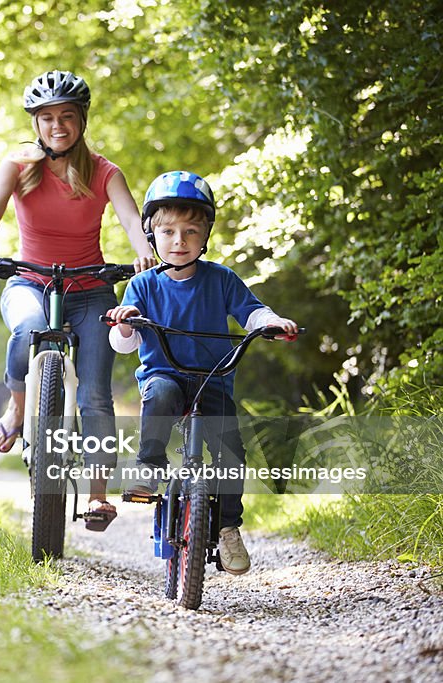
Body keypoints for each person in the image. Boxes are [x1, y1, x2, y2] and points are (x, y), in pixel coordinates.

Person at [0, 69, 156, 532]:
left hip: (90, 293)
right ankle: (17, 403)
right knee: (27, 328)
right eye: (47, 118)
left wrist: (144, 247)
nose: (57, 126)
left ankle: (98, 497)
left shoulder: (105, 171)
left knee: (95, 396)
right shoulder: (20, 165)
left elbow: (130, 217)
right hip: (30, 282)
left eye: (67, 116)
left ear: (81, 120)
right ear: (36, 124)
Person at [106, 170, 299, 574]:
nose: (180, 241)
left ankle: (229, 528)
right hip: (166, 375)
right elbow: (124, 343)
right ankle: (149, 467)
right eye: (169, 231)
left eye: (191, 231)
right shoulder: (142, 285)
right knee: (159, 395)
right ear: (151, 234)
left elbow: (252, 311)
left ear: (206, 234)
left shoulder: (221, 279)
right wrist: (127, 321)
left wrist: (272, 322)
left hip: (213, 379)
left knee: (231, 452)